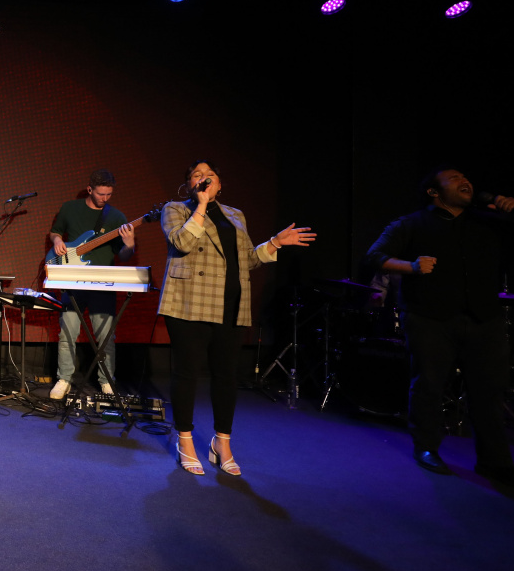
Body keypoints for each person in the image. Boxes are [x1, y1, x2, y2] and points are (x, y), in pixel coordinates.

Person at [365, 167, 514, 493]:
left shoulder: (489, 221)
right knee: (429, 385)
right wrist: (410, 267)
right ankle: (426, 447)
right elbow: (375, 256)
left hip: (484, 319)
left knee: (490, 392)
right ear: (433, 192)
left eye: (465, 177)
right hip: (429, 318)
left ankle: (496, 463)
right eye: (453, 178)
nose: (465, 181)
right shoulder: (411, 223)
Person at [158, 160, 315, 475]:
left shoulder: (235, 215)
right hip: (189, 302)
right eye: (197, 176)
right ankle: (185, 440)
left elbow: (247, 261)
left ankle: (222, 443)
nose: (204, 179)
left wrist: (274, 243)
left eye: (210, 176)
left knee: (226, 377)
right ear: (188, 185)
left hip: (231, 305)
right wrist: (201, 206)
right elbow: (182, 242)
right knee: (187, 374)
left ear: (219, 184)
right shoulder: (175, 209)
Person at [47, 169, 136, 400]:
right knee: (67, 332)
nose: (105, 198)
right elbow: (55, 232)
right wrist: (58, 241)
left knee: (105, 336)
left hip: (103, 283)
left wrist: (129, 244)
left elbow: (123, 255)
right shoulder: (70, 208)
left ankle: (106, 381)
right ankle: (64, 379)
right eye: (100, 194)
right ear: (90, 189)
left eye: (109, 194)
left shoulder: (116, 216)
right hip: (72, 278)